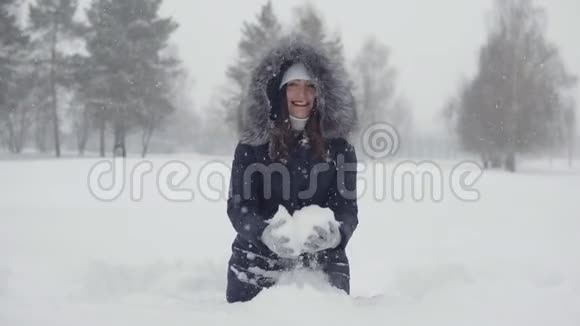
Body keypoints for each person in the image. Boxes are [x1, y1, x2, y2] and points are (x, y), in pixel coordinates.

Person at [226, 36, 359, 303]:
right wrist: (262, 232)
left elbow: (346, 208)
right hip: (256, 260)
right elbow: (239, 206)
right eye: (293, 86)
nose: (302, 95)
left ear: (321, 92)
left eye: (310, 86)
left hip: (322, 262)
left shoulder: (340, 148)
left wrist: (336, 235)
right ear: (279, 90)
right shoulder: (252, 146)